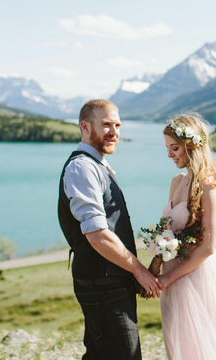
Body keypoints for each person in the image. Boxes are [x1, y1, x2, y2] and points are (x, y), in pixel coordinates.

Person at [58, 99, 163, 360]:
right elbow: (97, 234)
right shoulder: (82, 167)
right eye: (106, 125)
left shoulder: (96, 165)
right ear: (85, 127)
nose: (114, 132)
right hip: (102, 285)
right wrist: (139, 271)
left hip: (108, 282)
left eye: (117, 125)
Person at [157, 113, 216, 360]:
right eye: (167, 148)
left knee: (198, 346)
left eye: (174, 148)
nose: (170, 155)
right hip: (172, 275)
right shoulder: (176, 181)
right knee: (176, 345)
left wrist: (169, 277)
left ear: (191, 146)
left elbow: (207, 247)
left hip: (196, 275)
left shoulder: (209, 187)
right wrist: (157, 266)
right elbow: (167, 230)